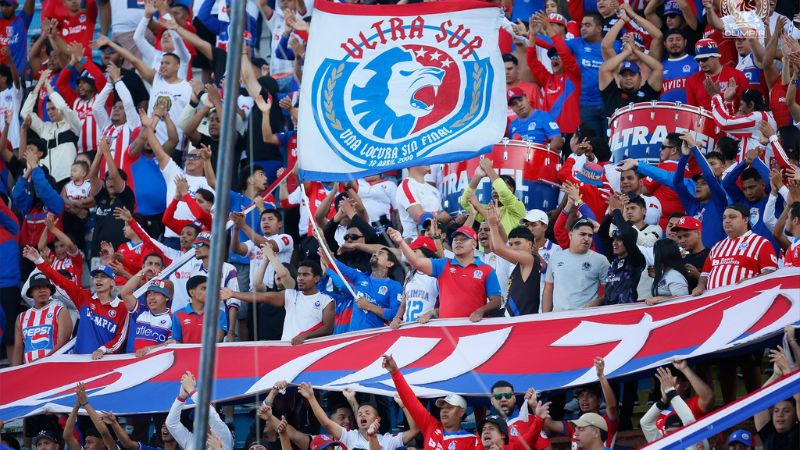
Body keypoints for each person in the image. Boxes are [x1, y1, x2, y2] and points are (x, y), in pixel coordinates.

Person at [24, 246, 128, 359]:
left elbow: (120, 338)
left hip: (105, 361)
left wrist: (103, 349)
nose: (98, 280)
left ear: (112, 282)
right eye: (96, 277)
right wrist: (39, 260)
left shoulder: (121, 307)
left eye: (103, 277)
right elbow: (60, 279)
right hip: (79, 360)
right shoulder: (84, 297)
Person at [388, 226, 501, 321]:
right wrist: (401, 242)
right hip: (447, 328)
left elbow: (496, 302)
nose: (458, 241)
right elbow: (416, 262)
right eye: (455, 239)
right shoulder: (443, 265)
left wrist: (481, 311)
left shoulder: (487, 270)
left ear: (473, 244)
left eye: (464, 239)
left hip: (473, 327)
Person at [220, 260, 334, 345]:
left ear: (317, 278)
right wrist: (233, 294)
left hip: (312, 350)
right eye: (299, 274)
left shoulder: (327, 300)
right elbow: (261, 297)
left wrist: (305, 336)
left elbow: (328, 328)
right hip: (286, 348)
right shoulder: (290, 295)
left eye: (305, 275)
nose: (300, 278)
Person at [383, 354, 478, 450]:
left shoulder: (471, 440)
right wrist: (395, 372)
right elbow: (411, 401)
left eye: (450, 407)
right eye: (442, 407)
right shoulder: (431, 426)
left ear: (461, 412)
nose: (444, 411)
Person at [297, 382, 418, 450]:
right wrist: (311, 397)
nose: (362, 415)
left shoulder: (388, 440)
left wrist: (404, 406)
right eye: (359, 414)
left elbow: (415, 430)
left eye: (367, 413)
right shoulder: (350, 436)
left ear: (378, 419)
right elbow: (325, 422)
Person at [693, 204, 778, 295]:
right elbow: (705, 274)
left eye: (732, 217)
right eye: (724, 218)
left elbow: (771, 272)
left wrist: (751, 281)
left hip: (745, 301)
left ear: (745, 220)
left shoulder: (761, 243)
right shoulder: (717, 246)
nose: (727, 221)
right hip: (714, 303)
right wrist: (700, 286)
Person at [319, 246, 402, 333]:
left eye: (380, 253)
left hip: (376, 336)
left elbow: (396, 314)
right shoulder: (360, 277)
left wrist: (370, 306)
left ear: (389, 264)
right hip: (354, 337)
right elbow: (335, 263)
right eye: (374, 253)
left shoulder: (394, 286)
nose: (374, 254)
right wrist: (321, 238)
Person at [542, 219, 610, 312]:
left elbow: (609, 291)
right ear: (570, 235)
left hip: (585, 319)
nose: (587, 238)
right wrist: (545, 317)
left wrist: (597, 303)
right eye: (582, 234)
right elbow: (548, 289)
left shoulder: (601, 260)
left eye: (590, 235)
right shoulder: (556, 257)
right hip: (558, 317)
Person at [486, 205, 541, 316]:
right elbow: (494, 249)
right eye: (510, 244)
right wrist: (493, 225)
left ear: (530, 244)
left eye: (518, 243)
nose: (513, 247)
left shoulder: (529, 260)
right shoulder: (520, 262)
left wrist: (492, 224)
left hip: (523, 322)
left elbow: (499, 248)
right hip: (514, 319)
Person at [11, 272, 72, 365]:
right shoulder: (21, 317)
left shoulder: (60, 311)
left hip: (55, 366)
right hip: (29, 370)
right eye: (38, 288)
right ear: (31, 292)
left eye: (45, 287)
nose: (42, 290)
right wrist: (13, 372)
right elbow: (18, 349)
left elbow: (64, 343)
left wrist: (42, 361)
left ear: (50, 291)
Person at [166, 371, 234, 450]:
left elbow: (210, 413)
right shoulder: (192, 442)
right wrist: (182, 397)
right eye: (196, 420)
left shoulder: (223, 437)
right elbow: (171, 424)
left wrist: (191, 390)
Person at [753, 346, 800, 449]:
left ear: (796, 415)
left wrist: (787, 370)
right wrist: (776, 375)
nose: (780, 415)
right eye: (776, 411)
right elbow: (758, 401)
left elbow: (799, 399)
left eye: (786, 411)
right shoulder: (768, 435)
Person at [640, 366, 701, 443]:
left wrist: (670, 392)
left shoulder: (691, 444)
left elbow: (689, 421)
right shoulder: (664, 445)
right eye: (670, 433)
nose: (673, 435)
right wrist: (664, 400)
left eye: (676, 433)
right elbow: (645, 423)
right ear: (665, 433)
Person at [171, 275, 227, 344]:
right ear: (192, 292)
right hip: (187, 354)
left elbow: (218, 338)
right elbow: (177, 341)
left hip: (211, 355)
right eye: (204, 288)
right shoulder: (177, 315)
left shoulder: (219, 313)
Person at [643, 239, 690, 305]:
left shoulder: (675, 276)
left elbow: (683, 300)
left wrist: (659, 299)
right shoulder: (665, 274)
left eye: (656, 254)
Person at [672, 216, 709, 292]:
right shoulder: (681, 259)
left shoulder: (712, 255)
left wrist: (698, 276)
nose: (682, 240)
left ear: (698, 234)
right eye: (679, 237)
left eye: (686, 235)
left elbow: (720, 284)